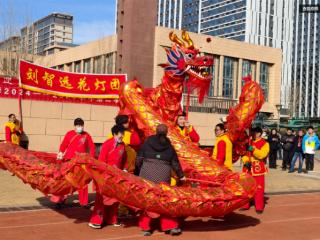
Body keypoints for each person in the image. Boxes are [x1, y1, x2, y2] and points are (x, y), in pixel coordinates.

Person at [135, 124, 185, 236]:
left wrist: (138, 172)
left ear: (156, 131)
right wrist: (181, 175)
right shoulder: (169, 146)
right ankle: (169, 226)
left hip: (147, 174)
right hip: (163, 175)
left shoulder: (147, 142)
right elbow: (175, 163)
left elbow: (139, 159)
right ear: (166, 133)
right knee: (164, 200)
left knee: (147, 199)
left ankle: (146, 227)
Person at [88, 125, 127, 229]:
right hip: (105, 176)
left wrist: (124, 169)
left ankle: (112, 219)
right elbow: (101, 161)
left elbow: (124, 160)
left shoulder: (123, 145)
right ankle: (96, 220)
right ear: (114, 134)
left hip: (116, 177)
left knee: (115, 199)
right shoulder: (107, 144)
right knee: (101, 199)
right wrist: (103, 175)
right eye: (121, 134)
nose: (122, 136)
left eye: (123, 134)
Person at [52, 118, 95, 208]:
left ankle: (84, 202)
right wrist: (60, 152)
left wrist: (91, 157)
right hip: (69, 161)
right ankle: (59, 200)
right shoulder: (69, 134)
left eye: (82, 125)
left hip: (81, 162)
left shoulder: (86, 135)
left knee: (83, 182)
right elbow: (64, 144)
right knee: (65, 181)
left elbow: (92, 147)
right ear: (75, 126)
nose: (80, 127)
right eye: (78, 125)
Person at [241, 127, 269, 214]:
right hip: (248, 167)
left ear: (259, 133)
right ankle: (245, 205)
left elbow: (262, 155)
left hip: (258, 168)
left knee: (259, 188)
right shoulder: (249, 142)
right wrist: (245, 161)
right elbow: (244, 154)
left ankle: (259, 206)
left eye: (254, 133)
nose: (253, 134)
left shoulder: (265, 143)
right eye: (252, 132)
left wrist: (253, 149)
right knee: (246, 187)